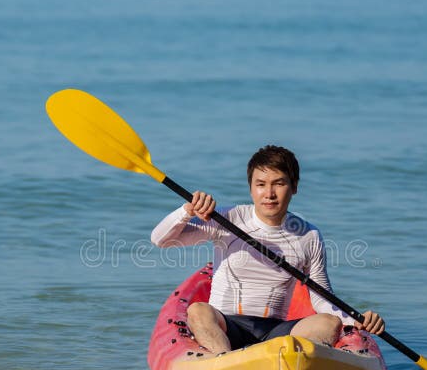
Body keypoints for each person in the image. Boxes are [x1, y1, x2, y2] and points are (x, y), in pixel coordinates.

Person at [150, 145, 385, 353]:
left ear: (294, 187)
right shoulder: (228, 218)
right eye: (261, 184)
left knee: (327, 323)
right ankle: (225, 364)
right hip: (226, 323)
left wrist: (355, 320)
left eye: (279, 183)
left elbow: (322, 296)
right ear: (251, 188)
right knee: (199, 311)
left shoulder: (308, 235)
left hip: (275, 332)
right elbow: (161, 239)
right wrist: (186, 211)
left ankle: (289, 368)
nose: (269, 194)